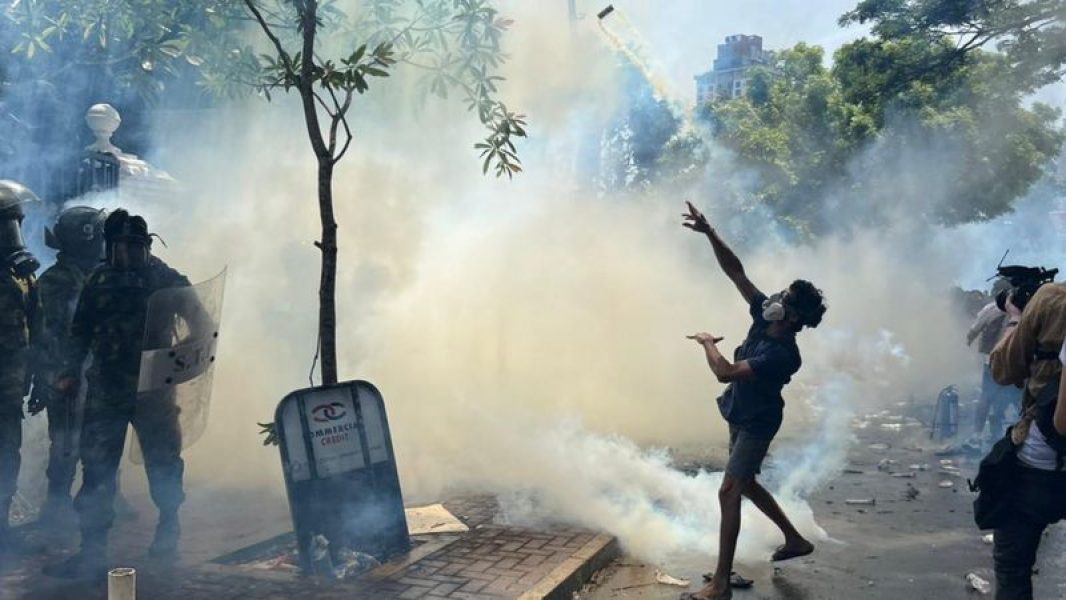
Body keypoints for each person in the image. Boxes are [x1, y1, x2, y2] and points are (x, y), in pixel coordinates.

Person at [681, 202, 826, 600]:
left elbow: (725, 371)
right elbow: (736, 271)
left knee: (729, 491)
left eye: (785, 296)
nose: (776, 294)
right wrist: (710, 232)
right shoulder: (765, 318)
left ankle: (721, 585)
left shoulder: (784, 354)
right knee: (743, 485)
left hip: (758, 422)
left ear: (792, 315)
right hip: (739, 410)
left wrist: (708, 343)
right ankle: (795, 539)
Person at [45, 210, 191, 579]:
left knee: (163, 463)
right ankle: (92, 551)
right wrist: (68, 371)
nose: (127, 256)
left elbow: (202, 328)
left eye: (134, 248)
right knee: (96, 471)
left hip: (152, 391)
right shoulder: (100, 279)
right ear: (110, 248)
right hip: (107, 389)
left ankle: (168, 525)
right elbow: (81, 331)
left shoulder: (167, 280)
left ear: (147, 246)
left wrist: (178, 360)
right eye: (120, 248)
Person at [27, 207, 108, 526]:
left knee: (100, 437)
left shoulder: (98, 275)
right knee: (65, 441)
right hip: (67, 376)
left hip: (95, 373)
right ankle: (56, 503)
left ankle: (105, 494)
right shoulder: (55, 283)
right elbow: (46, 335)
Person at [988, 282, 1066, 599]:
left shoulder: (1051, 299)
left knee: (1013, 571)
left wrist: (1016, 317)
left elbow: (1003, 369)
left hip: (1040, 464)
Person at [0, 180, 41, 555]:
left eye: (14, 225)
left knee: (7, 451)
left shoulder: (22, 276)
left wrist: (40, 375)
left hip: (9, 389)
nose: (11, 236)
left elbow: (38, 326)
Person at [965, 281, 1022, 448]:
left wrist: (971, 341)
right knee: (1017, 399)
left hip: (993, 362)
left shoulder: (990, 309)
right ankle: (1018, 436)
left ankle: (977, 435)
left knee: (987, 397)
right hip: (1016, 363)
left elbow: (973, 332)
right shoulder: (1026, 310)